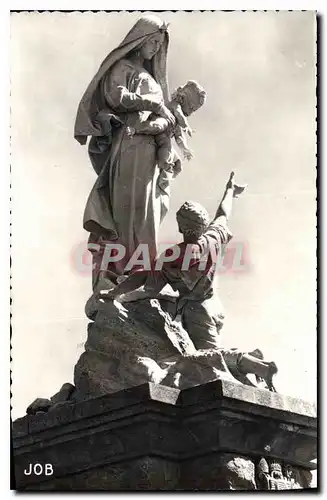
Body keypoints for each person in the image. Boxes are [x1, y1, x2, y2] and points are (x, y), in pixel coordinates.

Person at [74, 15, 179, 283]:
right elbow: (116, 96)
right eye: (153, 42)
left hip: (150, 151)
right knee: (127, 208)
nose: (155, 48)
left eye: (159, 44)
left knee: (147, 212)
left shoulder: (152, 79)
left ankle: (142, 273)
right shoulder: (122, 67)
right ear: (140, 39)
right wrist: (153, 105)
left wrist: (164, 119)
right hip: (129, 143)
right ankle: (120, 270)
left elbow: (165, 117)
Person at [99, 171, 246, 349]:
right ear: (204, 224)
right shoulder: (213, 237)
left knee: (209, 361)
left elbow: (148, 283)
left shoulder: (173, 256)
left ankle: (253, 363)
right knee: (211, 357)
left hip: (196, 311)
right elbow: (223, 213)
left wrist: (116, 293)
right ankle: (248, 363)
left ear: (180, 227)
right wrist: (230, 190)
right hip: (214, 304)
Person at [126, 80, 206, 215]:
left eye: (194, 111)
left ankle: (163, 180)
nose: (191, 112)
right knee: (157, 126)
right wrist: (186, 126)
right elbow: (179, 116)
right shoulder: (175, 106)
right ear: (184, 98)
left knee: (176, 162)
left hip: (164, 138)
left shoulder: (178, 124)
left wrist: (185, 149)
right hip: (162, 120)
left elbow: (179, 137)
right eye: (192, 108)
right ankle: (135, 130)